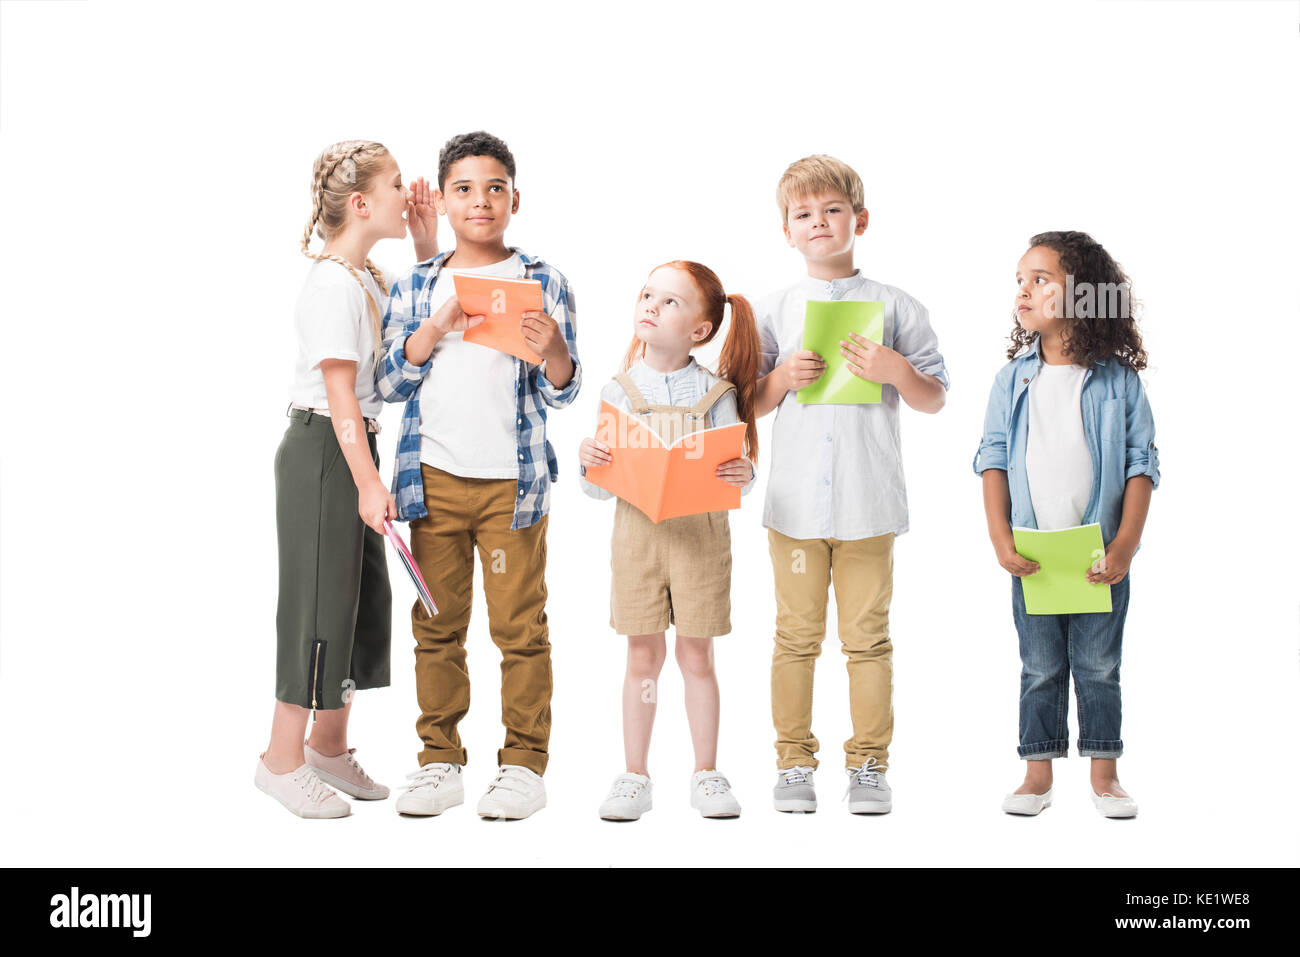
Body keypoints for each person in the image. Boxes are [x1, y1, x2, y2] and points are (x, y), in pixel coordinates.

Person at [378, 131, 581, 821]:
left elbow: (562, 391)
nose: (481, 201)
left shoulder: (545, 280)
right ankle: (439, 761)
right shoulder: (417, 282)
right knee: (437, 625)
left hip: (512, 485)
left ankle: (524, 765)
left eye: (494, 187)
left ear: (514, 198)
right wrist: (433, 327)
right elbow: (390, 381)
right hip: (431, 481)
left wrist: (553, 350)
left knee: (520, 628)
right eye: (464, 188)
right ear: (444, 198)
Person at [755, 154, 949, 814]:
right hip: (795, 506)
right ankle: (792, 763)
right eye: (802, 214)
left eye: (832, 209)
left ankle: (868, 764)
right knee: (795, 636)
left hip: (868, 503)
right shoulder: (775, 309)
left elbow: (933, 398)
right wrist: (780, 380)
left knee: (867, 638)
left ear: (859, 219)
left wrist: (895, 369)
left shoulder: (897, 306)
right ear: (786, 230)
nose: (818, 222)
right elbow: (743, 404)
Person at [256, 140, 438, 818]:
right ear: (361, 204)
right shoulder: (334, 284)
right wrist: (366, 480)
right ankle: (280, 758)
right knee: (313, 604)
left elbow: (415, 334)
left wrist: (425, 243)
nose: (407, 193)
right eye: (396, 186)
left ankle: (327, 747)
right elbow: (340, 399)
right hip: (326, 454)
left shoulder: (369, 276)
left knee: (357, 603)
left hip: (353, 449)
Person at [974, 231, 1158, 818]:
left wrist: (1126, 544)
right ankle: (1036, 773)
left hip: (1100, 556)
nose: (1023, 291)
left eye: (1041, 279)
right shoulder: (1013, 379)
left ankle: (1105, 775)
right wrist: (1000, 540)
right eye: (1020, 281)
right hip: (1033, 555)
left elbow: (1140, 464)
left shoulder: (1118, 382)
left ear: (1084, 295)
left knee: (1100, 667)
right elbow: (994, 457)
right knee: (1040, 667)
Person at [579, 262, 759, 821]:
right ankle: (635, 774)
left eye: (670, 302)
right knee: (642, 655)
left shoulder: (716, 392)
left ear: (699, 332)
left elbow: (737, 470)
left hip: (700, 538)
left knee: (697, 655)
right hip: (637, 538)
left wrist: (743, 474)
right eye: (647, 295)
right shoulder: (618, 389)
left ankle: (706, 772)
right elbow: (598, 493)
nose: (651, 306)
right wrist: (590, 465)